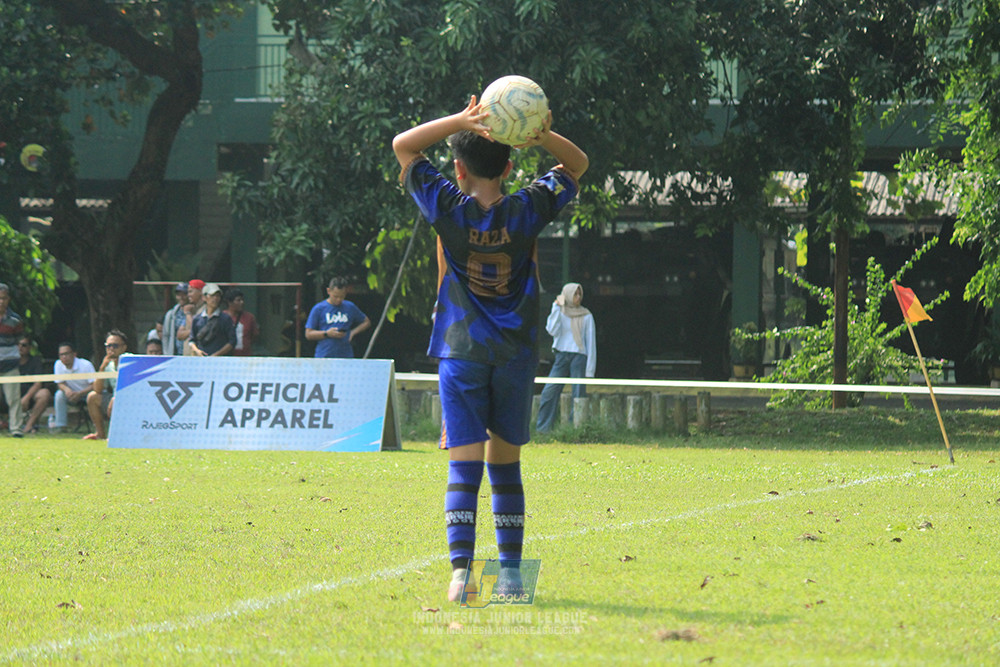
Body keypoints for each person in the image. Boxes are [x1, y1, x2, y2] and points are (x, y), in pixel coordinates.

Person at [392, 96, 588, 601]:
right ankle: (512, 577)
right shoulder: (527, 208)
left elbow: (403, 146)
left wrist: (459, 120)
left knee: (464, 465)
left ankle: (461, 575)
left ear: (457, 168)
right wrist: (538, 133)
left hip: (461, 351)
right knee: (505, 468)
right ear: (510, 164)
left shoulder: (447, 207)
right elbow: (579, 165)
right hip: (516, 354)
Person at [535, 282, 597, 432]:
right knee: (549, 392)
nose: (577, 297)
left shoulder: (586, 315)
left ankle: (575, 429)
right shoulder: (560, 311)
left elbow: (590, 342)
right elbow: (552, 330)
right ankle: (543, 429)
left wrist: (590, 370)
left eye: (579, 294)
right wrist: (556, 306)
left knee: (578, 394)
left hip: (579, 356)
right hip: (561, 355)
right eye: (574, 294)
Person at [304, 277, 371, 359]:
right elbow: (308, 334)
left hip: (345, 355)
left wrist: (353, 332)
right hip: (324, 355)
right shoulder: (319, 308)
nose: (339, 300)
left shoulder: (350, 307)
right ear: (329, 291)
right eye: (335, 296)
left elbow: (366, 322)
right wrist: (326, 333)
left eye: (342, 297)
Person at [84, 329, 127, 441]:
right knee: (92, 397)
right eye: (108, 346)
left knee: (117, 401)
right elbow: (97, 389)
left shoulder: (130, 359)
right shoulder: (108, 364)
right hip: (113, 398)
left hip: (129, 399)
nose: (111, 349)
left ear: (123, 348)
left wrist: (117, 397)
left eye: (115, 346)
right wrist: (102, 368)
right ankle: (100, 434)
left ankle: (118, 435)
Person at [0, 283, 27, 438]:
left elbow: (19, 339)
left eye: (3, 298)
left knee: (14, 399)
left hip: (10, 365)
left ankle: (16, 429)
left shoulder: (15, 320)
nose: (1, 302)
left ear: (8, 299)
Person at [53, 341, 96, 432]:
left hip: (87, 394)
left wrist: (80, 393)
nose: (64, 357)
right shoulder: (58, 364)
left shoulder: (86, 365)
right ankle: (61, 426)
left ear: (74, 354)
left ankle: (96, 426)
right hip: (71, 394)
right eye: (61, 355)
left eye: (66, 354)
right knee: (59, 395)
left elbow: (94, 385)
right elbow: (60, 383)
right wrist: (67, 389)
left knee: (94, 395)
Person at [188, 283, 236, 357]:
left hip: (220, 362)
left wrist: (216, 355)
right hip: (201, 361)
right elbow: (192, 340)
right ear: (204, 297)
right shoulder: (197, 319)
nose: (215, 298)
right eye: (212, 295)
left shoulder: (225, 319)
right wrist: (197, 351)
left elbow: (232, 342)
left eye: (218, 296)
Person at [16, 337, 52, 435]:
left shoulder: (36, 361)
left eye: (24, 345)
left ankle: (28, 426)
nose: (20, 347)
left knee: (44, 393)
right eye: (18, 344)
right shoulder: (10, 362)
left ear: (30, 347)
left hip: (30, 396)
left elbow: (38, 383)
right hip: (11, 395)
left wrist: (26, 398)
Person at [224, 288, 260, 356]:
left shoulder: (250, 318)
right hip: (227, 357)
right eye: (238, 300)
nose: (242, 302)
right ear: (230, 302)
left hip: (245, 356)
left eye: (242, 300)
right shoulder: (221, 317)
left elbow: (254, 336)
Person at [177, 279, 206, 355]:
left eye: (191, 292)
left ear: (200, 292)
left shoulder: (206, 310)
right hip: (187, 356)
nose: (188, 295)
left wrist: (187, 313)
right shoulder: (191, 309)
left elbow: (197, 330)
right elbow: (179, 335)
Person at [161, 282, 189, 355]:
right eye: (179, 295)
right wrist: (167, 353)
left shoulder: (195, 313)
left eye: (184, 294)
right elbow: (166, 335)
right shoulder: (171, 314)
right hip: (175, 355)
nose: (181, 297)